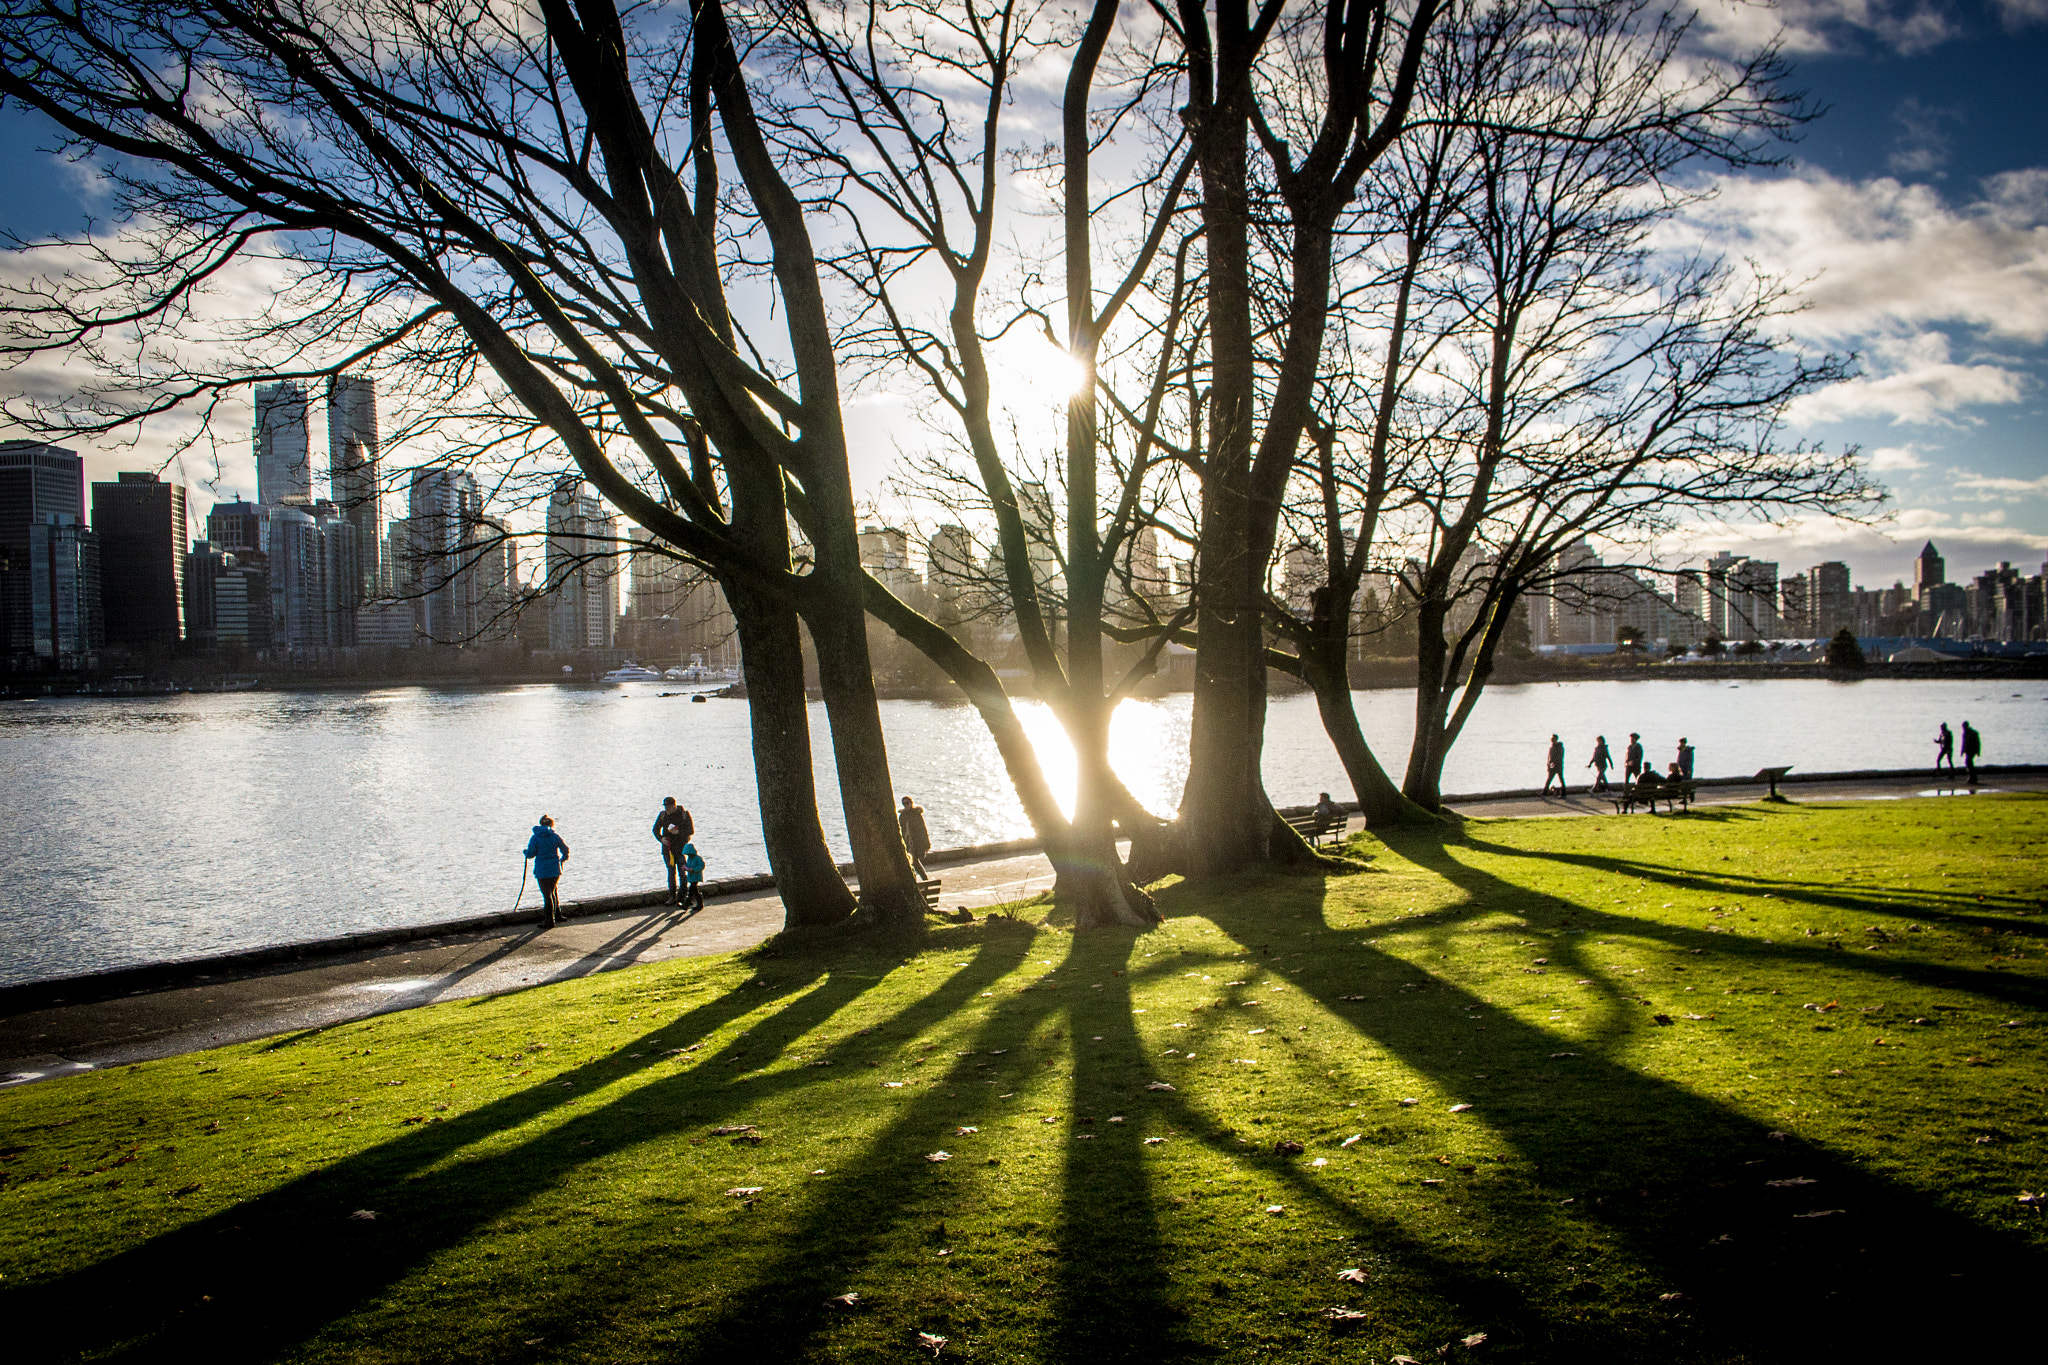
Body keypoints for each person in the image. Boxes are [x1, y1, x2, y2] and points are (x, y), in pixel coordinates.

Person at [524, 814, 570, 928]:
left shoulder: (535, 837)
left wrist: (525, 852)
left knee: (547, 895)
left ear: (541, 824)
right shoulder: (554, 836)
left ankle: (549, 921)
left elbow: (531, 854)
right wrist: (563, 859)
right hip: (554, 869)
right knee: (553, 891)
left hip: (542, 870)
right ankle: (558, 915)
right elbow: (565, 850)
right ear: (551, 825)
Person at [652, 796, 694, 905]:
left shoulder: (683, 814)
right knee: (671, 872)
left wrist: (678, 832)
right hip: (668, 849)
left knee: (682, 873)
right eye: (665, 807)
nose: (667, 809)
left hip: (680, 849)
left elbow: (690, 830)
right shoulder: (663, 815)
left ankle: (683, 896)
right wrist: (661, 839)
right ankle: (672, 896)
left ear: (674, 805)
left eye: (669, 807)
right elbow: (655, 829)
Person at [898, 795, 933, 878]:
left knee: (914, 861)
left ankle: (924, 878)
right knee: (912, 862)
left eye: (907, 803)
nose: (906, 805)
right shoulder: (902, 816)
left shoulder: (916, 814)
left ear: (911, 803)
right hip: (907, 842)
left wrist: (927, 844)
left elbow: (923, 830)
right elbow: (901, 828)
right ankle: (923, 879)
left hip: (916, 842)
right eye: (904, 804)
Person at [679, 840, 706, 914]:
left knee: (691, 891)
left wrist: (692, 869)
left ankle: (685, 905)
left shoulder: (698, 858)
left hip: (696, 877)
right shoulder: (689, 858)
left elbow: (701, 866)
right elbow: (688, 866)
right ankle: (699, 905)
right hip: (691, 877)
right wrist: (685, 868)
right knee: (695, 892)